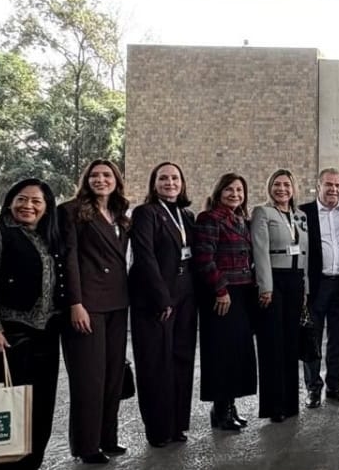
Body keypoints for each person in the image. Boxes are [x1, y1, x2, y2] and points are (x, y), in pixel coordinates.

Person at [0, 178, 66, 470]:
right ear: (10, 202)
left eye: (37, 201)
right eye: (22, 199)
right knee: (0, 402)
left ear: (46, 207)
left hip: (45, 329)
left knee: (39, 401)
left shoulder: (47, 236)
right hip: (8, 331)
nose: (29, 206)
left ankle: (27, 463)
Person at [59, 159, 131, 465]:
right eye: (95, 175)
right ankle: (87, 445)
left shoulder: (120, 214)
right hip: (87, 303)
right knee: (89, 377)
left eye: (107, 175)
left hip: (118, 301)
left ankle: (107, 438)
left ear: (116, 180)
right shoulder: (71, 211)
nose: (101, 180)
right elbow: (69, 259)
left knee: (113, 374)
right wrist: (75, 303)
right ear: (86, 180)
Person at [128, 162, 198, 447]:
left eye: (175, 178)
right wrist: (162, 298)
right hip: (156, 298)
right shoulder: (145, 213)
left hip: (186, 294)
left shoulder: (187, 215)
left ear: (182, 183)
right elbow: (144, 257)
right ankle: (158, 429)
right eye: (163, 178)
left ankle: (177, 425)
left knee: (182, 359)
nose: (170, 182)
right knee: (156, 362)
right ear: (154, 183)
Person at [194, 173, 258, 433]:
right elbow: (204, 258)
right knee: (221, 353)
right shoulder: (209, 219)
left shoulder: (241, 220)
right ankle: (220, 410)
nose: (235, 194)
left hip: (243, 293)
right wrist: (220, 289)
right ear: (219, 192)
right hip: (222, 294)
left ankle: (230, 406)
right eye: (229, 189)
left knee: (237, 353)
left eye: (239, 190)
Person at [251, 169, 310, 423]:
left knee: (291, 344)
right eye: (277, 184)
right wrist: (265, 286)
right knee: (272, 344)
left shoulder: (300, 215)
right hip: (274, 280)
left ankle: (290, 403)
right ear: (270, 187)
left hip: (296, 281)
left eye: (287, 184)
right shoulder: (263, 213)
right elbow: (260, 250)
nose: (282, 189)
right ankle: (274, 406)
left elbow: (305, 253)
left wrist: (306, 288)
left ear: (293, 188)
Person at [300, 168, 339, 407]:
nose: (333, 189)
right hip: (316, 285)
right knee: (311, 339)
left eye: (337, 185)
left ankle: (335, 386)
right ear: (319, 186)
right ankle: (313, 388)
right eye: (329, 184)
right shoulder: (303, 213)